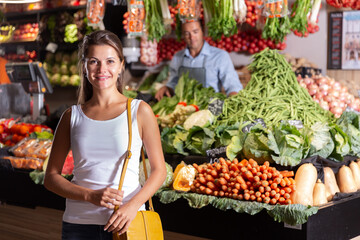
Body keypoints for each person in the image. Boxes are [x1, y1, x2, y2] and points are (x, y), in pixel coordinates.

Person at [44, 30, 167, 240]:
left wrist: (133, 206)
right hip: (78, 224)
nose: (102, 69)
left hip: (128, 223)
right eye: (94, 61)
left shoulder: (139, 111)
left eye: (110, 61)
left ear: (121, 66)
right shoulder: (71, 116)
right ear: (84, 66)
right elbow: (51, 177)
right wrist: (89, 195)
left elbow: (159, 171)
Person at [155, 20, 243, 101]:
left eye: (195, 32)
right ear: (183, 35)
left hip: (212, 105)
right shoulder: (178, 57)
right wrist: (167, 87)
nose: (191, 37)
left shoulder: (220, 56)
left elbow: (233, 86)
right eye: (186, 33)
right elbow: (173, 82)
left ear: (203, 31)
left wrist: (234, 99)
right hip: (184, 106)